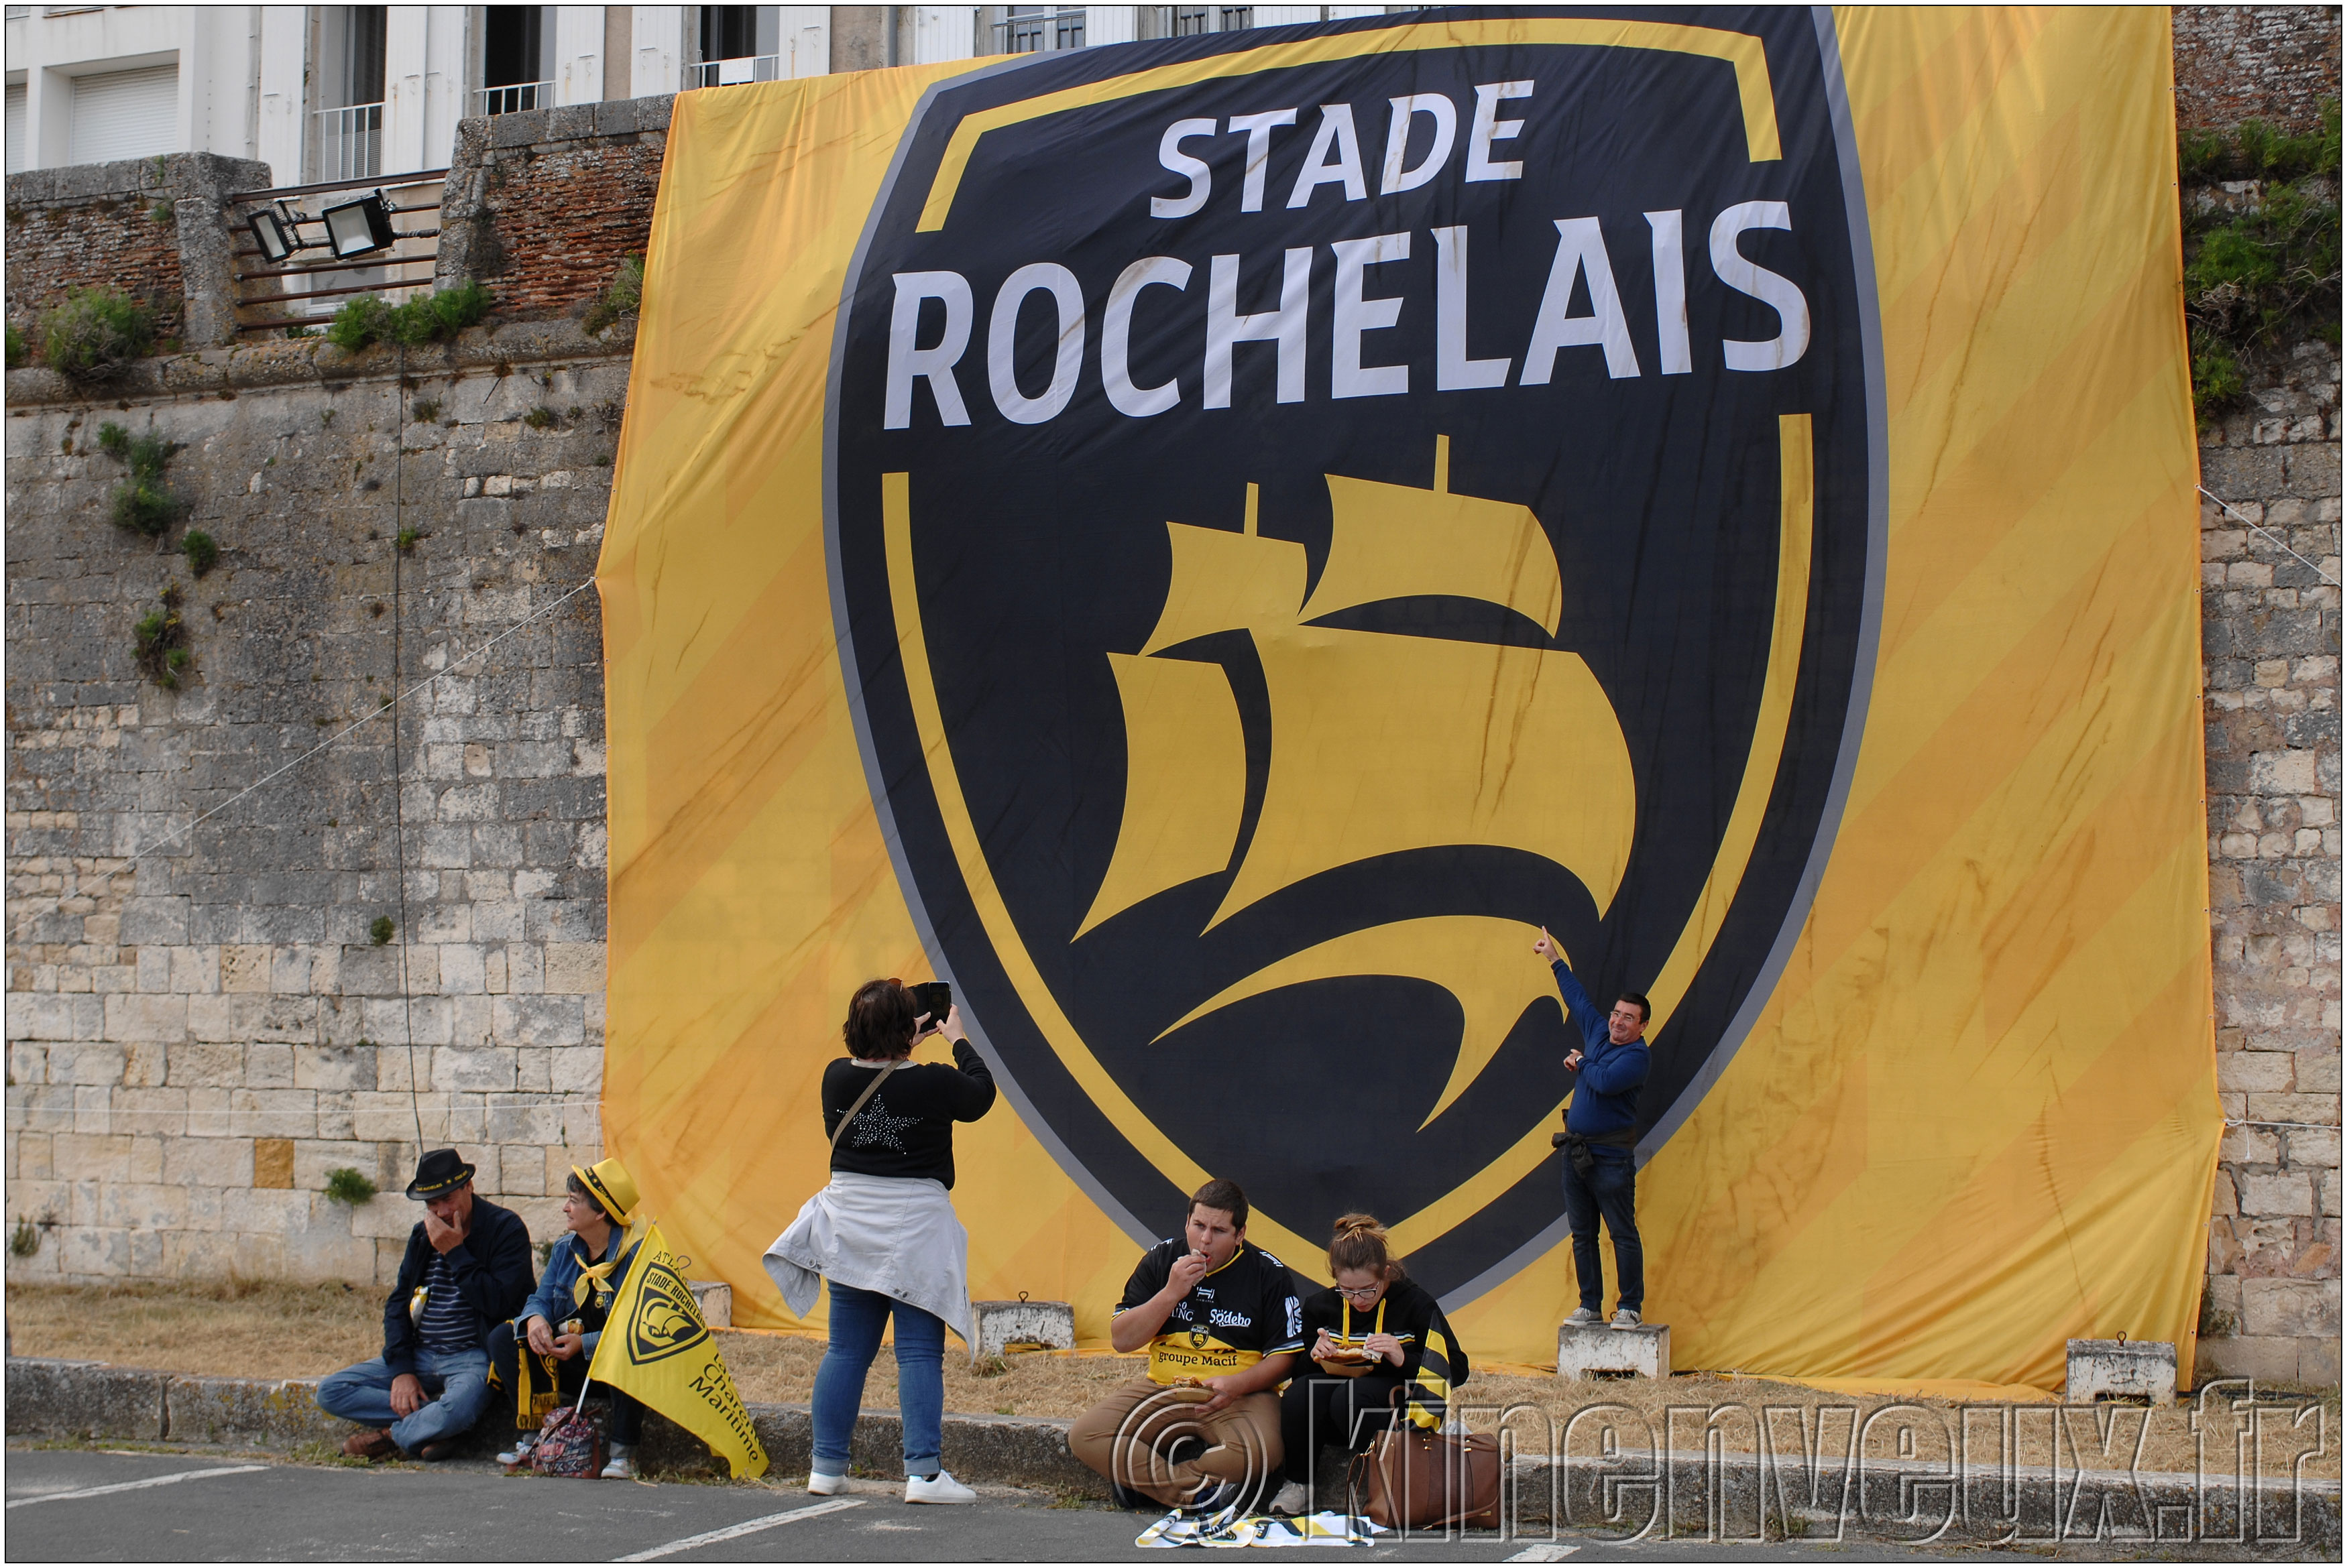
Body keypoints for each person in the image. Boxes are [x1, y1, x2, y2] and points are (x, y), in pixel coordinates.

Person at [764, 977, 997, 1506]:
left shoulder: (835, 1077)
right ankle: (923, 1473)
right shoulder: (936, 1082)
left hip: (849, 1226)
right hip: (915, 1228)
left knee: (846, 1349)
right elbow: (980, 1093)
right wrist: (957, 1038)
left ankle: (826, 1466)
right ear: (906, 1028)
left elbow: (885, 1076)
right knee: (917, 1353)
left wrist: (898, 1046)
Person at [1070, 1179, 1305, 1513]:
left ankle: (1148, 1487)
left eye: (1219, 1230)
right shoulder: (1162, 1258)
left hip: (1236, 1394)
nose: (1205, 1239)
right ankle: (1195, 1494)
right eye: (1199, 1226)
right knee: (1086, 1435)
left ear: (1240, 1235)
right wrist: (1171, 1292)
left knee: (1264, 1449)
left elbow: (1285, 1357)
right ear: (1187, 1222)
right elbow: (1122, 1340)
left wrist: (1237, 1385)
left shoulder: (1268, 1274)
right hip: (1164, 1386)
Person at [317, 1147, 534, 1459]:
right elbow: (397, 1305)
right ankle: (440, 1425)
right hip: (422, 1353)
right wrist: (402, 1370)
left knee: (459, 1408)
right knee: (331, 1391)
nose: (442, 1212)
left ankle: (393, 1437)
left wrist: (456, 1252)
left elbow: (498, 1302)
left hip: (472, 1355)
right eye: (433, 1204)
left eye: (448, 1199)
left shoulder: (505, 1229)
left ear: (468, 1188)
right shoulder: (422, 1235)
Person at [1268, 1214, 1469, 1516]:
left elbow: (1458, 1368)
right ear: (1335, 1278)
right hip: (1341, 1416)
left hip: (1395, 1402)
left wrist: (1403, 1358)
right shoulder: (1321, 1306)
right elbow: (1295, 1372)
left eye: (1367, 1290)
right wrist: (1314, 1356)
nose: (1358, 1300)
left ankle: (1398, 1471)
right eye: (1346, 1290)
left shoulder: (1415, 1304)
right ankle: (1299, 1484)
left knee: (1351, 1397)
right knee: (1301, 1394)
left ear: (1386, 1273)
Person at [486, 1156, 648, 1478]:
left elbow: (639, 1331)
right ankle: (539, 1438)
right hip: (570, 1359)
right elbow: (541, 1298)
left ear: (601, 1212)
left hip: (614, 1367)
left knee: (626, 1349)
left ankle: (623, 1454)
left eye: (574, 1202)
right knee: (504, 1338)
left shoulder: (637, 1256)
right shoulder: (565, 1249)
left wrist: (584, 1343)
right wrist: (535, 1320)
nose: (565, 1208)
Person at [1534, 926, 1652, 1328]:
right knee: (1582, 1234)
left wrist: (1582, 1063)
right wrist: (1553, 959)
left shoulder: (1638, 1057)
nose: (1618, 1022)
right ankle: (1590, 1305)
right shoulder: (1600, 1032)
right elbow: (1578, 998)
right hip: (1577, 1153)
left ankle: (1630, 1307)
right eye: (1617, 1013)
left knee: (1621, 1233)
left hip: (1612, 1159)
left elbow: (1604, 1082)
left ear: (1642, 1027)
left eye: (1629, 1018)